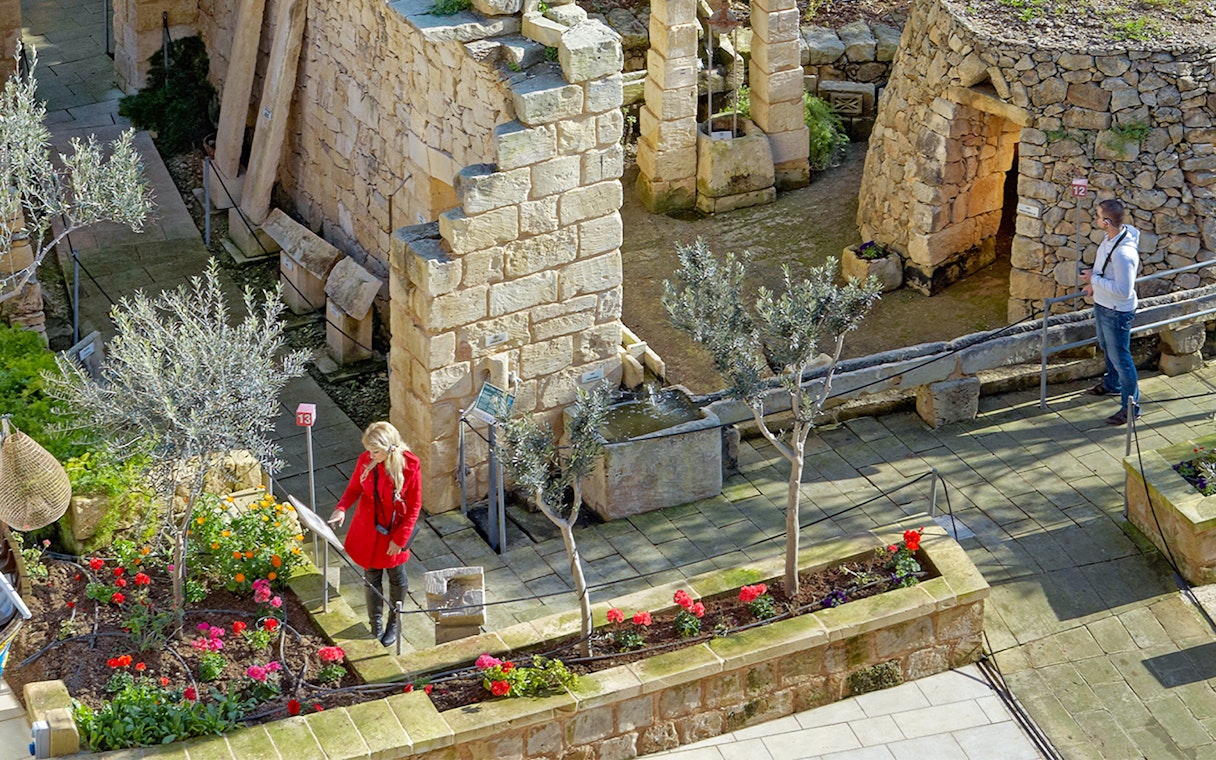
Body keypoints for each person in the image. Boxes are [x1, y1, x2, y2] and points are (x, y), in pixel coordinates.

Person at [328, 422, 422, 647]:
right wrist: (341, 509)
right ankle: (376, 624)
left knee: (396, 575)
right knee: (371, 577)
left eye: (375, 451)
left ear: (389, 447)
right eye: (369, 450)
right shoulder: (366, 461)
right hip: (369, 530)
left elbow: (414, 506)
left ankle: (394, 622)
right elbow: (354, 489)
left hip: (393, 531)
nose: (370, 455)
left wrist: (399, 540)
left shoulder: (410, 466)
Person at [1079, 198, 1142, 426]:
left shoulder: (1123, 254)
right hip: (1103, 304)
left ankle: (1131, 408)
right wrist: (1093, 284)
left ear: (1106, 222)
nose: (1095, 219)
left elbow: (1124, 291)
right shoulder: (1115, 237)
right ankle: (1112, 384)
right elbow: (1106, 271)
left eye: (1097, 216)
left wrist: (1093, 279)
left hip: (1116, 311)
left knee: (1121, 358)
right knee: (1107, 347)